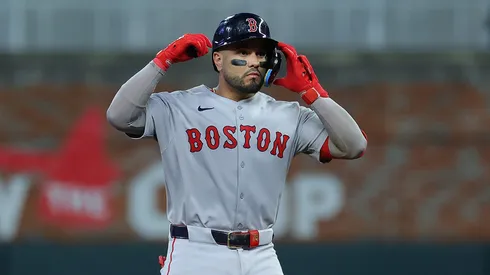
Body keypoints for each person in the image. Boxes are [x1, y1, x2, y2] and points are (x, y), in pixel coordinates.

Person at [107, 12, 367, 275]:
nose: (255, 61)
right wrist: (161, 61)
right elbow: (119, 116)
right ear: (218, 60)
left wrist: (313, 94)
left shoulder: (289, 115)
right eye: (243, 51)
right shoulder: (178, 106)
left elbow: (353, 145)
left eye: (261, 54)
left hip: (261, 254)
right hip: (196, 251)